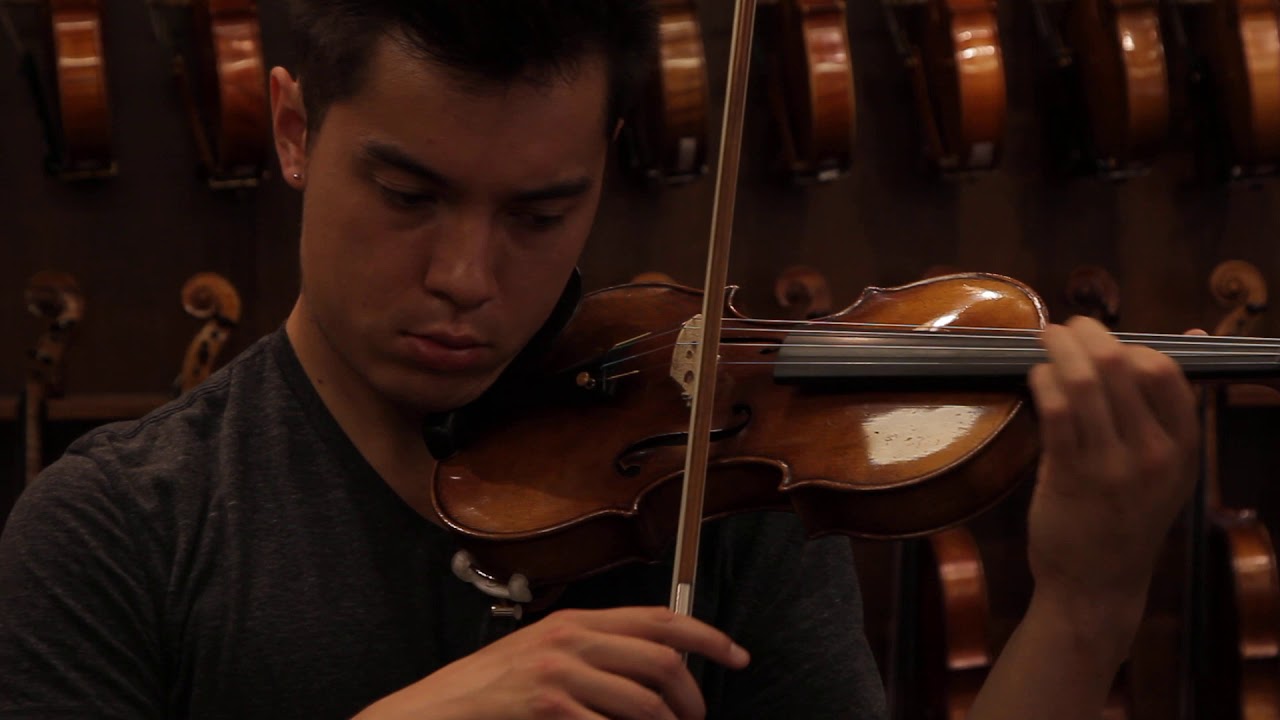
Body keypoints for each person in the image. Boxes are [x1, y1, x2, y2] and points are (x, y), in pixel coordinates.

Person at [0, 2, 1199, 719]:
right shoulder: (114, 530)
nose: (468, 275)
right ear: (294, 128)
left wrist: (1087, 607)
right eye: (409, 194)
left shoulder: (715, 478)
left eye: (538, 213)